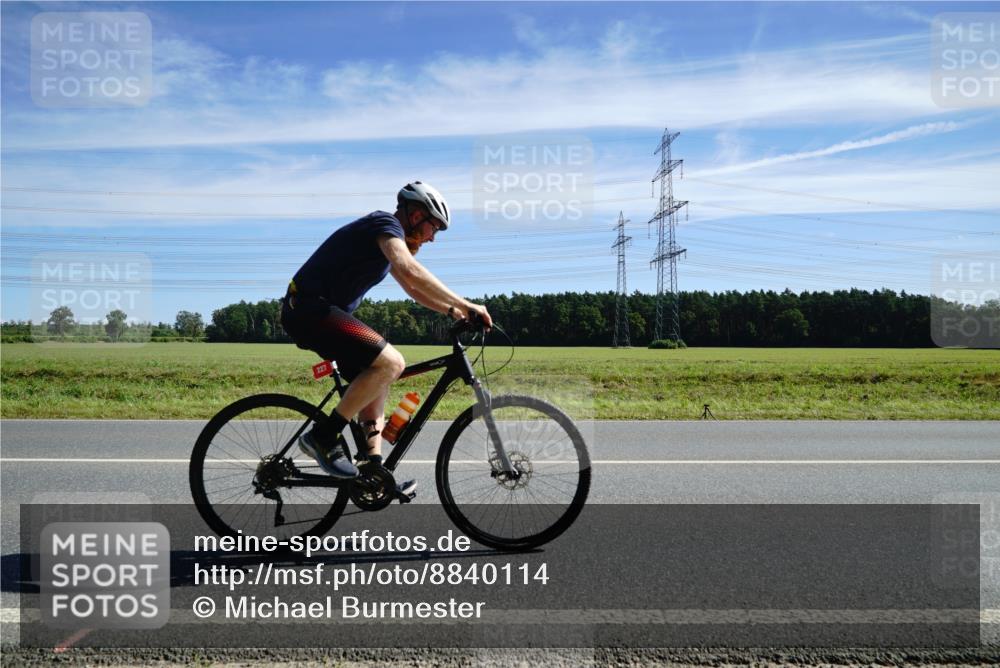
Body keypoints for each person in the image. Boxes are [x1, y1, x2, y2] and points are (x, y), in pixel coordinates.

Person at [280, 181, 493, 496]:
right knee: (392, 363)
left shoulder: (387, 239)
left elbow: (412, 288)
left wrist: (452, 311)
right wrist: (466, 304)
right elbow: (409, 271)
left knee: (379, 376)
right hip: (309, 308)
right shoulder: (384, 223)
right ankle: (322, 437)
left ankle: (372, 468)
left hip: (322, 311)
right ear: (417, 214)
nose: (433, 238)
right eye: (434, 227)